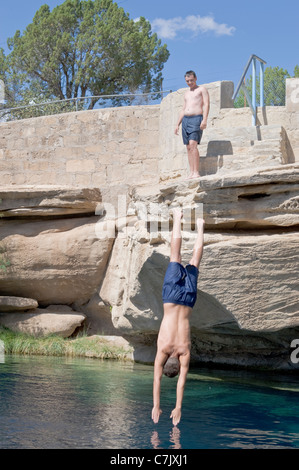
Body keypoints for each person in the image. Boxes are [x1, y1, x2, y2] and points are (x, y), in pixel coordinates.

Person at [152, 209, 205, 426]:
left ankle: (201, 226)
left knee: (194, 261)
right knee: (175, 256)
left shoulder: (184, 352)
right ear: (165, 364)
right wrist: (156, 405)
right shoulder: (162, 350)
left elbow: (181, 383)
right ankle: (177, 217)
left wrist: (178, 407)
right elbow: (156, 380)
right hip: (171, 299)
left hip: (188, 301)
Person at [175, 70, 210, 179]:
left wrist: (204, 120)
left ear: (195, 78)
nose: (189, 82)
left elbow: (206, 104)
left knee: (193, 144)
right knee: (188, 147)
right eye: (187, 81)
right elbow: (183, 109)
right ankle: (191, 172)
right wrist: (177, 124)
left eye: (191, 80)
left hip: (196, 118)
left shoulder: (202, 89)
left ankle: (196, 172)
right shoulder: (186, 93)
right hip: (186, 120)